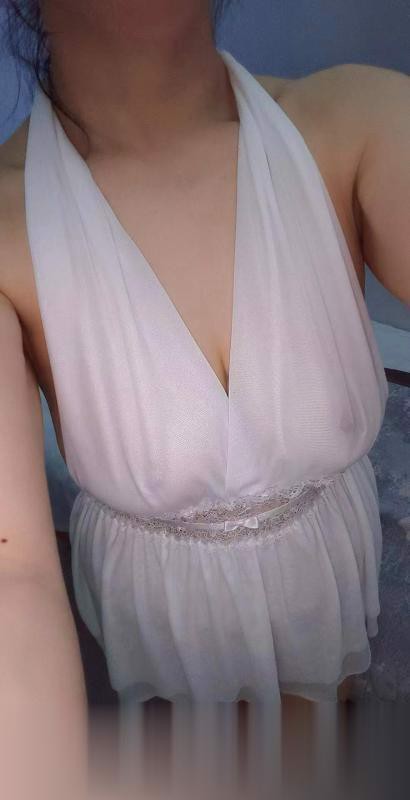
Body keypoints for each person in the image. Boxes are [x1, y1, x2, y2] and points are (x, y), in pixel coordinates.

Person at [2, 0, 408, 789]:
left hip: (321, 557)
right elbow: (10, 571)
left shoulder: (352, 124)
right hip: (162, 605)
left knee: (320, 720)